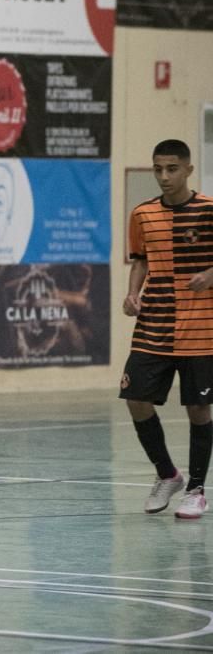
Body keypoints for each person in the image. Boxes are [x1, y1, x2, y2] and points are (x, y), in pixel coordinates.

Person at [120, 138, 213, 519]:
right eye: (158, 169)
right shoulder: (142, 214)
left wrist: (210, 275)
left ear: (189, 170)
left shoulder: (209, 210)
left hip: (200, 329)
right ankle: (167, 474)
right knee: (136, 400)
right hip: (154, 323)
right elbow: (140, 261)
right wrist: (132, 294)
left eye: (171, 168)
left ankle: (196, 490)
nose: (163, 176)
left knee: (198, 410)